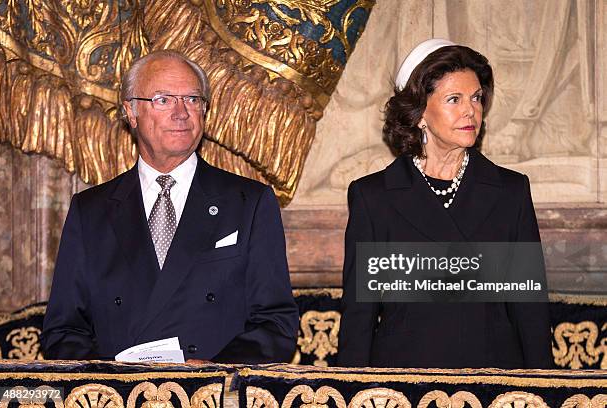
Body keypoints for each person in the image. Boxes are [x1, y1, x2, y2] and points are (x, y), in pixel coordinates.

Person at [42, 50, 299, 363]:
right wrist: (111, 382)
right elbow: (63, 330)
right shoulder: (91, 211)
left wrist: (212, 374)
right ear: (131, 112)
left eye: (193, 99)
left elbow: (276, 324)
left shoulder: (249, 203)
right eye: (163, 99)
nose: (182, 113)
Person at [336, 39, 553, 368]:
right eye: (454, 99)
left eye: (476, 98)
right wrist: (351, 393)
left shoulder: (511, 191)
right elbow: (359, 317)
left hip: (492, 382)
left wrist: (542, 389)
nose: (471, 111)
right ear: (420, 111)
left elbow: (530, 309)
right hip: (404, 383)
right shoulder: (373, 197)